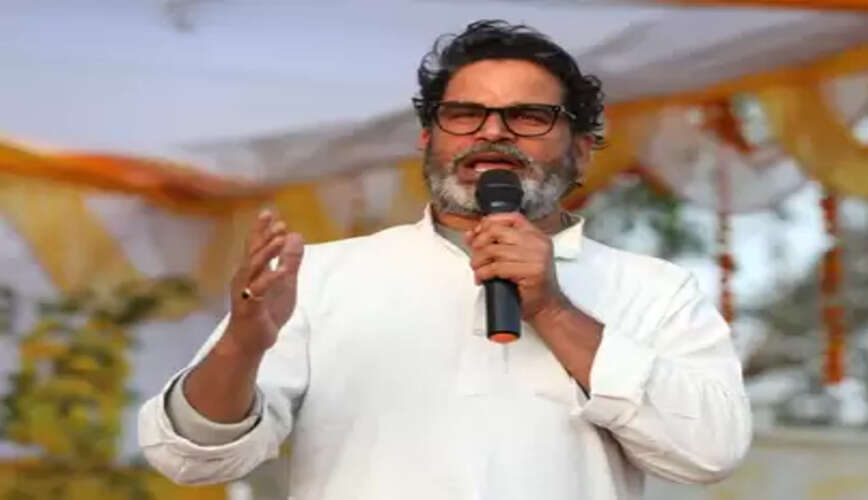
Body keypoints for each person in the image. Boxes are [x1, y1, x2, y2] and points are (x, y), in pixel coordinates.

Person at [138, 19, 752, 499]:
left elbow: (709, 452)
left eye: (528, 116)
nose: (493, 132)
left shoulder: (653, 289)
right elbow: (190, 458)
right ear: (428, 138)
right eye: (465, 114)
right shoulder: (323, 277)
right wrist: (241, 345)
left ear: (583, 150)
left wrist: (553, 310)